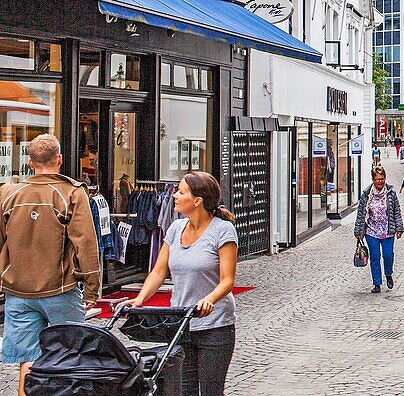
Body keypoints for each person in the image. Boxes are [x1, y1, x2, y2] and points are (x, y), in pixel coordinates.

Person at [0, 134, 100, 396]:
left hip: (18, 290)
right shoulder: (71, 192)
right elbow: (86, 243)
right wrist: (92, 287)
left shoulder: (9, 193)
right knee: (70, 355)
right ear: (60, 159)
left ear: (30, 162)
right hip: (60, 288)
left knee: (29, 360)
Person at [126, 172, 238, 396]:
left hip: (214, 325)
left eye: (181, 191)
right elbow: (159, 272)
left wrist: (209, 299)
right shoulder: (176, 228)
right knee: (182, 390)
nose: (175, 195)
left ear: (197, 201)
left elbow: (227, 280)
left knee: (211, 391)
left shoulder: (222, 231)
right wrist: (139, 300)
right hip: (180, 323)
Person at [353, 167, 404, 293]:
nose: (380, 182)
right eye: (377, 179)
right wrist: (358, 231)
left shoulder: (390, 193)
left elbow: (396, 210)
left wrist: (399, 227)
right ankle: (377, 283)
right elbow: (361, 213)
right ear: (373, 180)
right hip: (371, 231)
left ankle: (388, 274)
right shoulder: (367, 194)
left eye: (382, 179)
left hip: (387, 230)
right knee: (375, 257)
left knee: (388, 255)